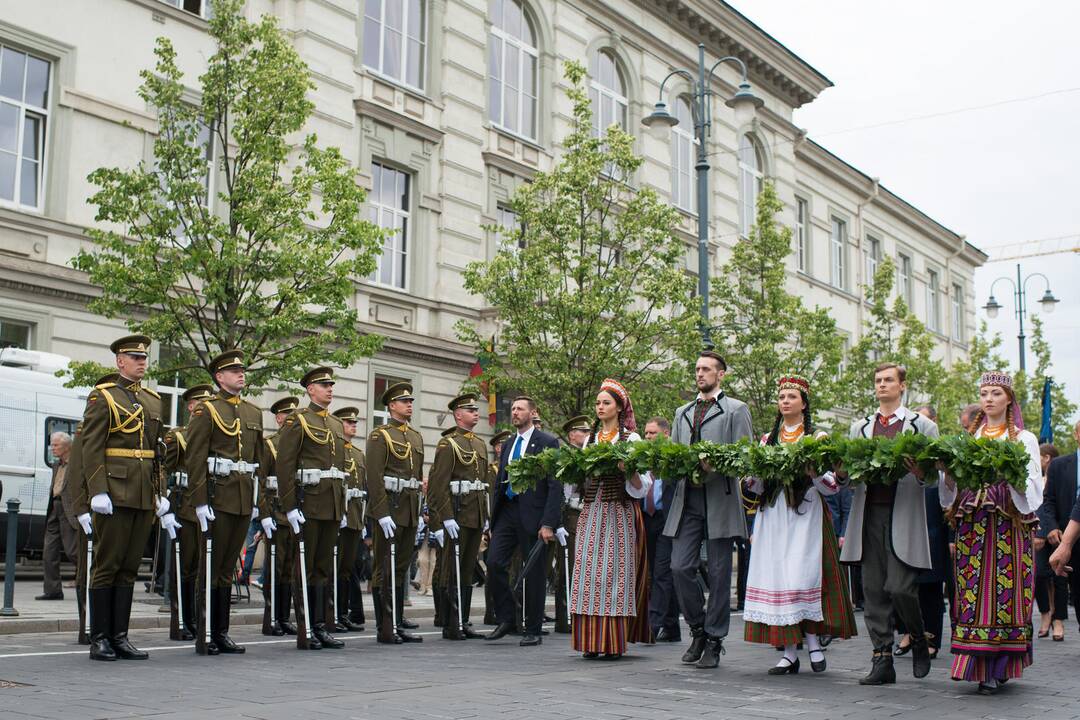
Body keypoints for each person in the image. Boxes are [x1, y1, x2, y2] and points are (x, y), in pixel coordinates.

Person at [743, 376, 856, 674]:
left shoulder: (817, 438)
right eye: (781, 397)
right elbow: (757, 487)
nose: (785, 401)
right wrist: (750, 478)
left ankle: (814, 643)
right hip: (774, 516)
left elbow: (832, 487)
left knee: (800, 578)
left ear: (803, 404)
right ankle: (790, 653)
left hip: (805, 515)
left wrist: (814, 473)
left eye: (791, 396)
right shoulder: (768, 440)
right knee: (780, 579)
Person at [940, 371, 1043, 694]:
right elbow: (951, 492)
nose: (988, 398)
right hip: (973, 524)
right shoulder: (971, 438)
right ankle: (976, 663)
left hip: (1008, 524)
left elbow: (1033, 491)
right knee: (971, 589)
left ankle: (999, 665)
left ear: (1008, 399)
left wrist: (1010, 478)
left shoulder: (1023, 440)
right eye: (984, 392)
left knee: (1005, 591)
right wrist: (947, 474)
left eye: (996, 393)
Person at [837, 362, 939, 685]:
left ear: (902, 385)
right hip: (868, 514)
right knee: (872, 590)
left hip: (904, 514)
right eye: (878, 380)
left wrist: (921, 472)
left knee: (899, 587)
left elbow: (935, 478)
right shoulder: (860, 427)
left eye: (889, 380)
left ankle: (918, 637)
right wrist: (842, 473)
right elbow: (850, 480)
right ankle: (882, 657)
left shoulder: (922, 426)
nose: (882, 385)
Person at [83, 335, 176, 661]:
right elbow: (91, 448)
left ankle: (120, 637)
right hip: (114, 491)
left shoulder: (152, 401)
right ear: (119, 361)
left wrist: (160, 493)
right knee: (106, 566)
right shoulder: (103, 397)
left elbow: (157, 453)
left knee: (129, 568)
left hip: (141, 495)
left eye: (143, 357)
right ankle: (100, 639)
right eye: (134, 357)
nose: (141, 362)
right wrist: (97, 491)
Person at [664, 350, 753, 669]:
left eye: (706, 369)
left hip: (720, 498)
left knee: (718, 574)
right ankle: (698, 629)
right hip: (687, 499)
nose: (700, 374)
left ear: (721, 375)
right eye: (697, 368)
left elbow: (746, 456)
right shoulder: (682, 411)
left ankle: (714, 640)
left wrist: (716, 463)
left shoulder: (736, 409)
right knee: (679, 567)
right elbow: (673, 453)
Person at [184, 350, 266, 655]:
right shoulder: (207, 410)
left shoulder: (252, 412)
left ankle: (221, 632)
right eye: (234, 371)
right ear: (219, 377)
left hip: (243, 499)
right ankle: (205, 633)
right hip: (217, 497)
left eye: (242, 370)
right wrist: (200, 501)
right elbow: (195, 458)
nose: (241, 374)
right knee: (211, 567)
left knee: (227, 569)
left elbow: (259, 460)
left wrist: (260, 502)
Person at [570, 379, 652, 660]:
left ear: (619, 407)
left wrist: (627, 469)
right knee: (588, 575)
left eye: (606, 402)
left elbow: (644, 486)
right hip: (592, 511)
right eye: (598, 403)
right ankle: (590, 641)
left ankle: (612, 641)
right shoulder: (590, 441)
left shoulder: (632, 440)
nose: (600, 407)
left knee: (614, 575)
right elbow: (578, 482)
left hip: (618, 512)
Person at [275, 366, 349, 650]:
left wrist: (340, 507)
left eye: (331, 384)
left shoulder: (334, 424)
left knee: (321, 568)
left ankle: (320, 626)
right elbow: (285, 465)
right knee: (304, 567)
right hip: (308, 503)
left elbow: (339, 469)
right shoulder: (298, 421)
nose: (330, 388)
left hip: (330, 505)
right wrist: (290, 506)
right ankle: (306, 629)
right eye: (324, 385)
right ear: (310, 390)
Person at [486, 396, 561, 646]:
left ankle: (533, 628)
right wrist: (493, 521)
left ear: (532, 413)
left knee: (534, 573)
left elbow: (554, 484)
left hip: (533, 515)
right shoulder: (508, 443)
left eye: (520, 409)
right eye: (514, 409)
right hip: (507, 511)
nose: (515, 412)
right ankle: (507, 617)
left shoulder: (547, 442)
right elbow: (499, 483)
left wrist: (549, 523)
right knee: (494, 562)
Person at [365, 381, 425, 645]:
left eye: (411, 401)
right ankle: (384, 626)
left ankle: (398, 622)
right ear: (391, 406)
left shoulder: (415, 436)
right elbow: (374, 477)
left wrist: (421, 512)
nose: (409, 405)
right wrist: (381, 512)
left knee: (400, 568)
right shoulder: (381, 436)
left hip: (410, 510)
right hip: (390, 509)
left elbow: (418, 477)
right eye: (404, 401)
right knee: (383, 568)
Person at [428, 393, 489, 640]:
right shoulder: (448, 444)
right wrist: (444, 518)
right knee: (451, 569)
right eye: (470, 409)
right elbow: (437, 485)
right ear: (458, 414)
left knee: (466, 570)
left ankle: (463, 620)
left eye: (476, 409)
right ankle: (450, 621)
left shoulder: (479, 444)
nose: (476, 412)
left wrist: (485, 515)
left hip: (475, 514)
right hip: (458, 514)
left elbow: (482, 483)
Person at [895, 404, 952, 661]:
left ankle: (931, 636)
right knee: (903, 582)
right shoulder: (904, 455)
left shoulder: (939, 455)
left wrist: (950, 538)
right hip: (907, 522)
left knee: (930, 585)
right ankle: (907, 630)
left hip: (932, 528)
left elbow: (949, 497)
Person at [166, 384, 215, 642]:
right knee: (185, 567)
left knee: (201, 567)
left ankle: (199, 618)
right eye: (200, 402)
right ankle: (182, 620)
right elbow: (163, 470)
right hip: (184, 507)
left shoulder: (214, 435)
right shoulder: (178, 437)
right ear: (190, 406)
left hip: (208, 506)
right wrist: (164, 507)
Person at [258, 396, 300, 636]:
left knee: (288, 571)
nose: (290, 420)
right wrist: (264, 515)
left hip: (293, 516)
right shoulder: (269, 445)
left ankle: (284, 617)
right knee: (274, 569)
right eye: (287, 416)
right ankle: (271, 618)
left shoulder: (298, 447)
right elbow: (261, 483)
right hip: (276, 514)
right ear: (278, 418)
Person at [1040, 424, 1080, 639]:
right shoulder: (1059, 465)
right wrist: (1052, 527)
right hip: (1066, 535)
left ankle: (1058, 622)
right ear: (1076, 434)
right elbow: (1048, 501)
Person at [642, 417, 680, 642]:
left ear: (666, 434)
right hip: (646, 518)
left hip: (667, 519)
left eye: (652, 433)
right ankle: (672, 626)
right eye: (646, 433)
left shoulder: (674, 456)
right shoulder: (642, 457)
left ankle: (653, 624)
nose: (648, 437)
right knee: (657, 573)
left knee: (661, 572)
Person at [331, 406, 367, 632]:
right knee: (335, 567)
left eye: (355, 423)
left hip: (354, 516)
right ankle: (333, 612)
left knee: (347, 568)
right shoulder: (333, 451)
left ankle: (343, 614)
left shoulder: (358, 453)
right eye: (349, 423)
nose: (353, 426)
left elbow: (363, 488)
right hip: (339, 516)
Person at [552, 415, 589, 634]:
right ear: (571, 435)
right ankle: (564, 617)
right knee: (569, 565)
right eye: (581, 432)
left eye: (586, 432)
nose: (585, 436)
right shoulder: (565, 456)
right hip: (570, 514)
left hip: (584, 512)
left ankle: (577, 612)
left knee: (581, 565)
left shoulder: (587, 455)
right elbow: (562, 490)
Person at [38, 431, 75, 601]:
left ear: (67, 446)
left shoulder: (77, 464)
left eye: (55, 445)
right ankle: (52, 590)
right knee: (49, 551)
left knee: (73, 551)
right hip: (54, 507)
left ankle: (87, 584)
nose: (52, 448)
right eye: (52, 444)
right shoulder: (56, 465)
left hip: (69, 510)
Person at [483, 429, 513, 626]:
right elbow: (491, 498)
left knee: (506, 568)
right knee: (492, 566)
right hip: (495, 521)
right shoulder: (492, 470)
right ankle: (491, 610)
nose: (503, 448)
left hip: (509, 521)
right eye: (501, 445)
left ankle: (504, 610)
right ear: (496, 448)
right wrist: (489, 523)